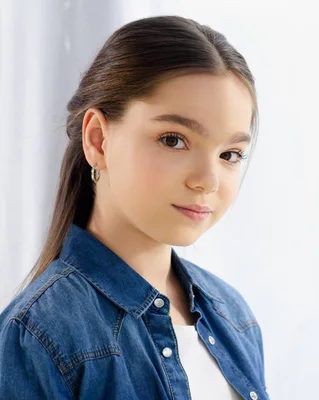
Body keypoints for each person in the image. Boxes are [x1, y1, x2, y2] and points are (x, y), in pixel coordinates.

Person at [0, 15, 267, 400]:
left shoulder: (234, 316)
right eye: (174, 140)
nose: (208, 180)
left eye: (230, 154)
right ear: (97, 140)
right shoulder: (40, 333)